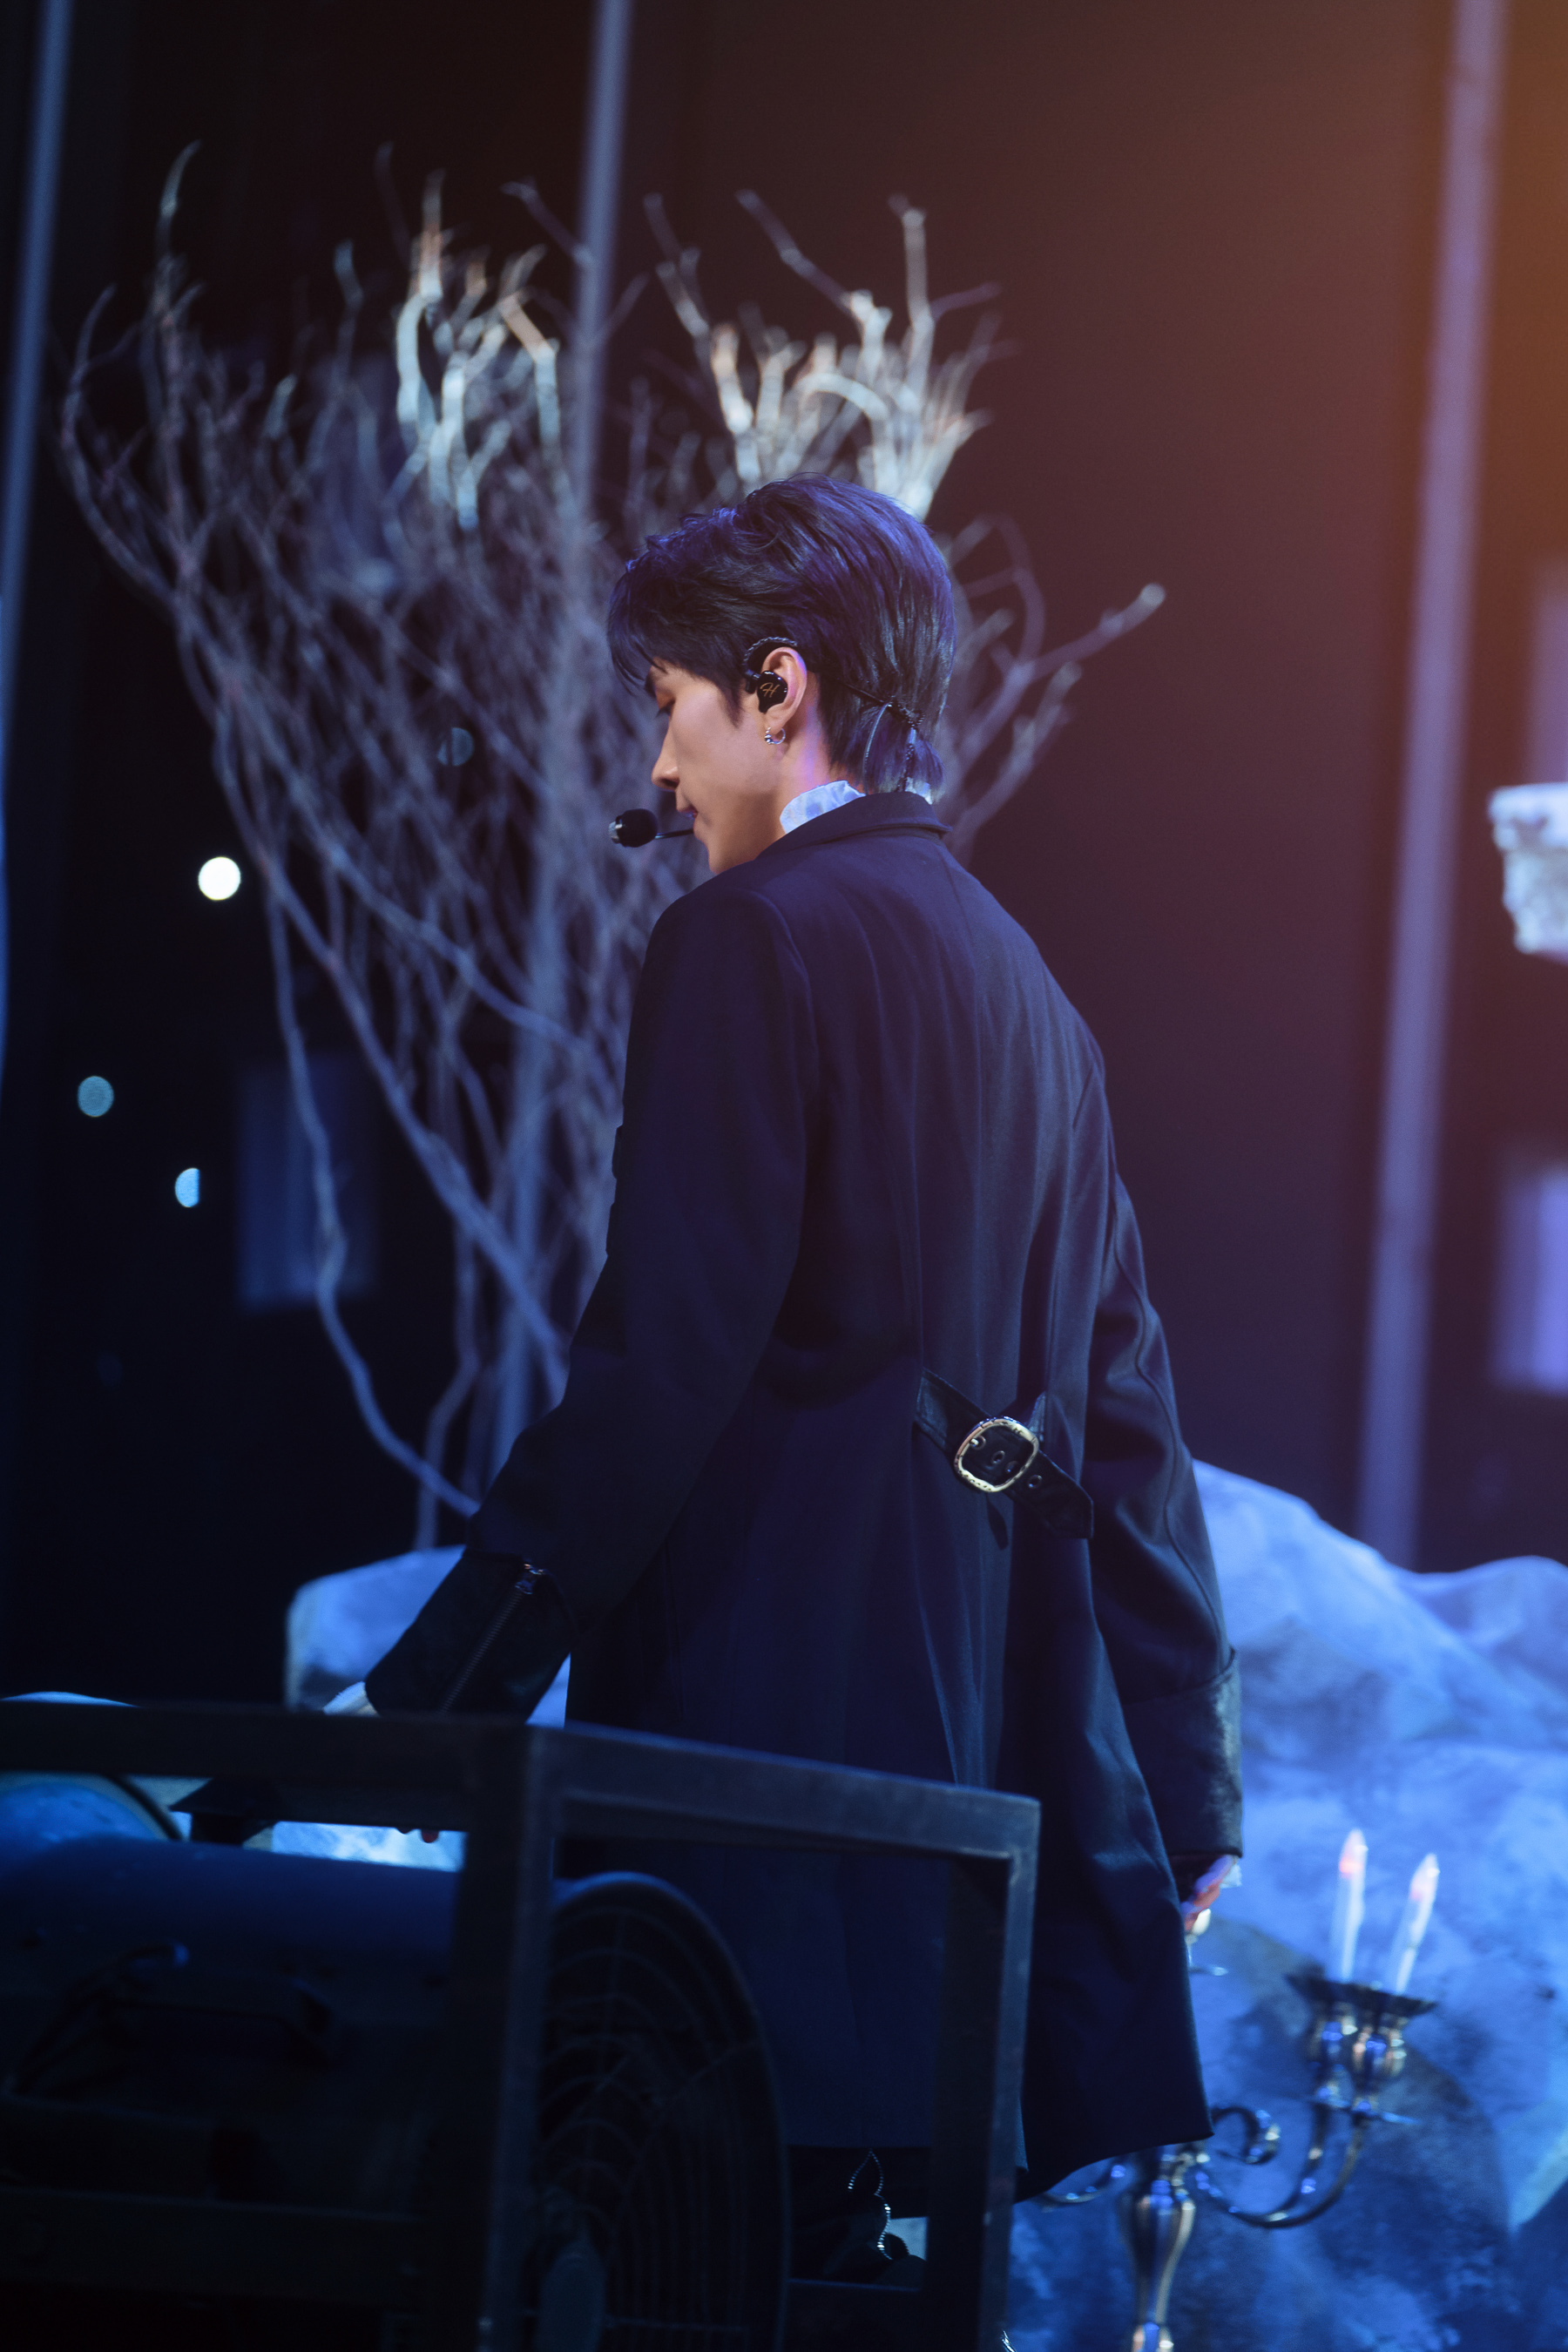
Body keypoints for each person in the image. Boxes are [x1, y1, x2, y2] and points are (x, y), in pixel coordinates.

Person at [355, 473, 1241, 2274]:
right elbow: (1128, 1422)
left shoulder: (744, 941)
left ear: (777, 688)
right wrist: (1187, 1788)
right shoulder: (1035, 996)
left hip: (747, 1809)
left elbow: (661, 1367)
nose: (659, 768)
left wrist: (434, 1702)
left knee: (650, 2270)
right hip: (958, 1832)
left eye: (670, 703)